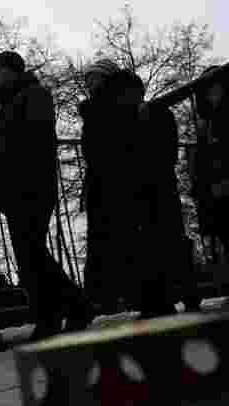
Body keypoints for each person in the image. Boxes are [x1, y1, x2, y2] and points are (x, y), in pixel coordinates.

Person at [0, 51, 94, 341]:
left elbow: (32, 142)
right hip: (17, 189)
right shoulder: (12, 103)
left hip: (31, 186)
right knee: (30, 254)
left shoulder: (33, 96)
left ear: (13, 70)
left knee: (31, 254)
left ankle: (63, 310)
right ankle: (62, 310)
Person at [107, 70, 194, 319]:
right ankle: (162, 299)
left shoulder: (154, 113)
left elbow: (166, 152)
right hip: (147, 188)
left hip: (156, 187)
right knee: (153, 245)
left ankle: (180, 295)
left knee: (166, 242)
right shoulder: (131, 117)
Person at [78, 59, 131, 314]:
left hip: (114, 179)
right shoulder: (93, 110)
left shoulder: (113, 106)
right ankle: (103, 295)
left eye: (94, 78)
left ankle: (114, 293)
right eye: (87, 79)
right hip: (99, 180)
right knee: (100, 239)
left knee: (115, 237)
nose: (89, 83)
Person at [193, 64, 229, 257]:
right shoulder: (204, 123)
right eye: (208, 88)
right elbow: (201, 159)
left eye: (216, 86)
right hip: (214, 193)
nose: (212, 93)